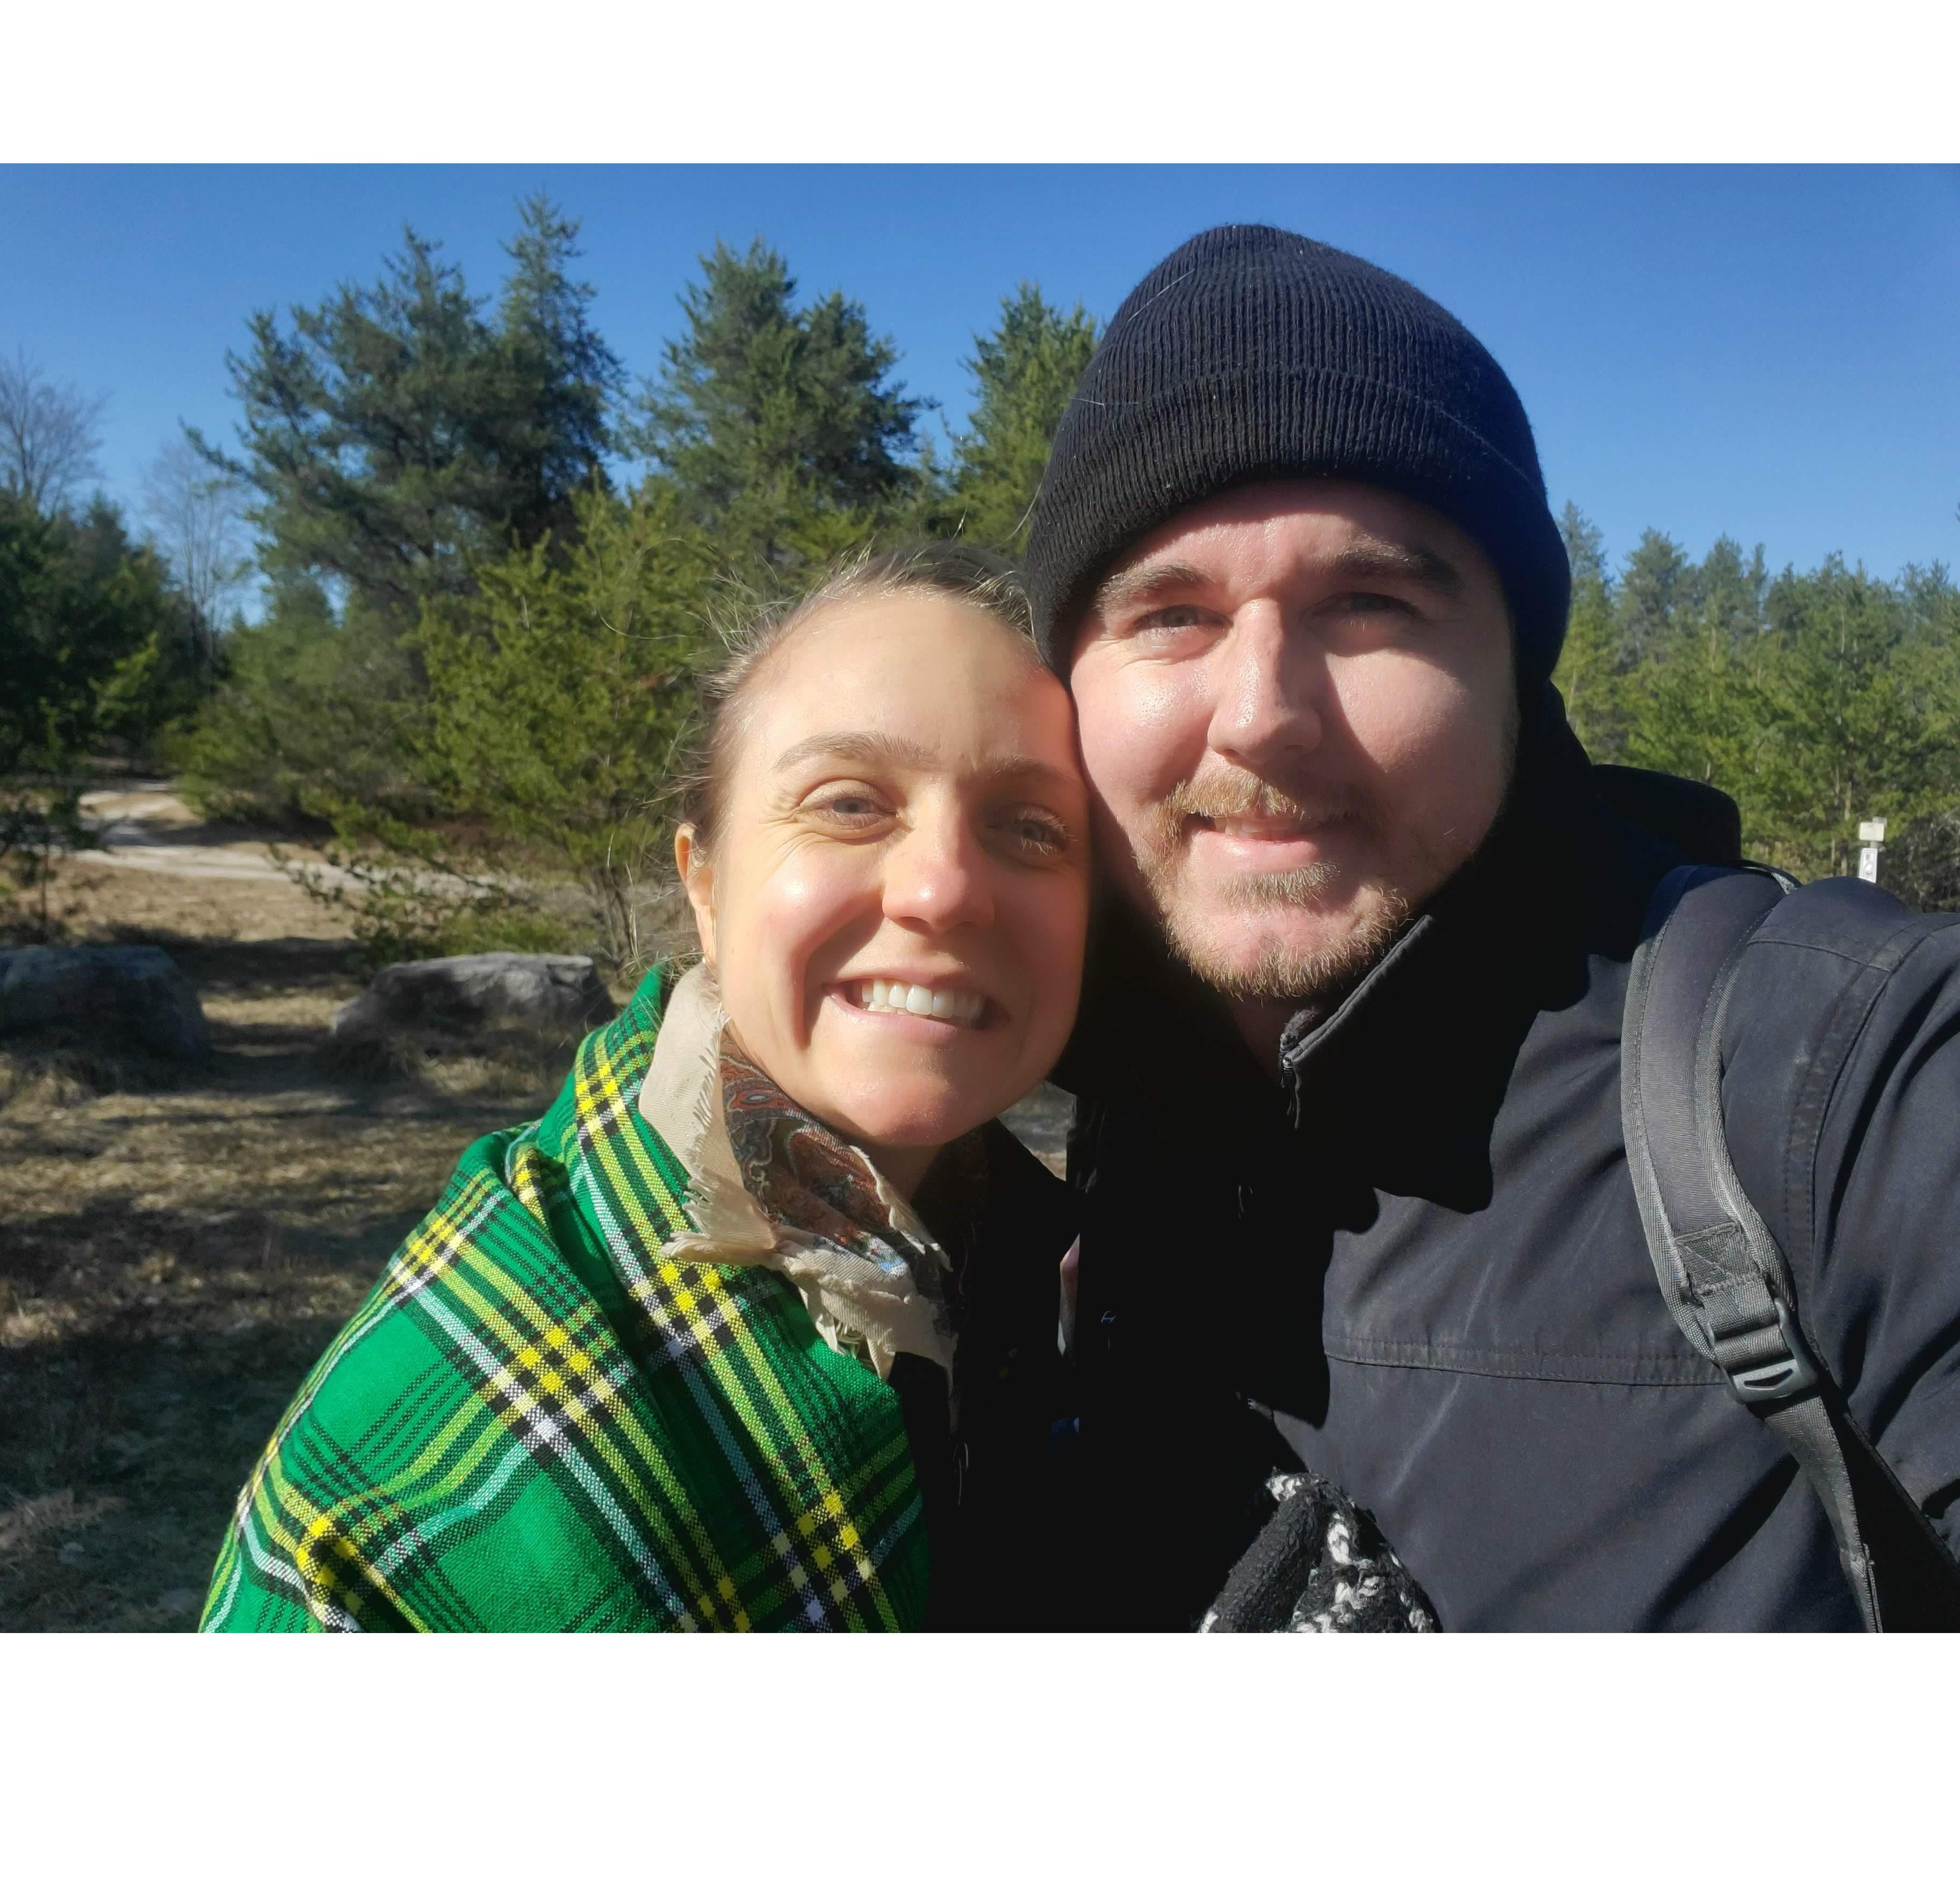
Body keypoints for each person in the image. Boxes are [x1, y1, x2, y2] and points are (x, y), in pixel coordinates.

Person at [1025, 222, 1960, 1630]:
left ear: (1515, 669)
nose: (1263, 714)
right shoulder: (1088, 1093)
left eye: (1371, 604)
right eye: (1170, 616)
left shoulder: (1840, 1074)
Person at [201, 547, 1090, 1631]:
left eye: (1032, 827)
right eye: (851, 803)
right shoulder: (405, 1499)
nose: (946, 888)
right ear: (705, 885)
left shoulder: (1034, 1260)